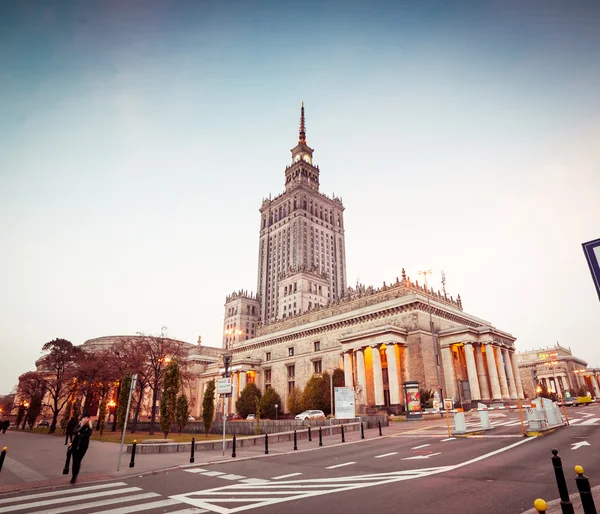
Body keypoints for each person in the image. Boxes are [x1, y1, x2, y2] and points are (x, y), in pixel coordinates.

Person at [70, 414, 92, 485]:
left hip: (83, 446)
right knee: (74, 461)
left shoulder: (89, 427)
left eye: (86, 418)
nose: (84, 419)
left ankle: (74, 477)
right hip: (75, 444)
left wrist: (79, 433)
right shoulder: (79, 425)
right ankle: (73, 475)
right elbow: (74, 431)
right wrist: (80, 429)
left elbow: (87, 435)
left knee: (78, 460)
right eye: (84, 417)